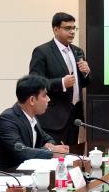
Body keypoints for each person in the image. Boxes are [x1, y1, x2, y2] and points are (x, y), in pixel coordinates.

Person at [29, 12, 91, 149]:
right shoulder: (42, 51)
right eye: (67, 28)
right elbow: (34, 83)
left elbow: (84, 83)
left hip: (74, 117)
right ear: (56, 29)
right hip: (53, 119)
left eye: (74, 28)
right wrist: (61, 83)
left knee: (73, 156)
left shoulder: (78, 51)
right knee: (56, 157)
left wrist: (86, 73)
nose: (72, 32)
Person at [0, 74, 69, 172]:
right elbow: (21, 152)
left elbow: (47, 139)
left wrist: (50, 145)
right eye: (44, 95)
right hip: (1, 176)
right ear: (32, 100)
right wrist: (51, 152)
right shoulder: (7, 119)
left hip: (22, 174)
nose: (48, 99)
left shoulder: (32, 118)